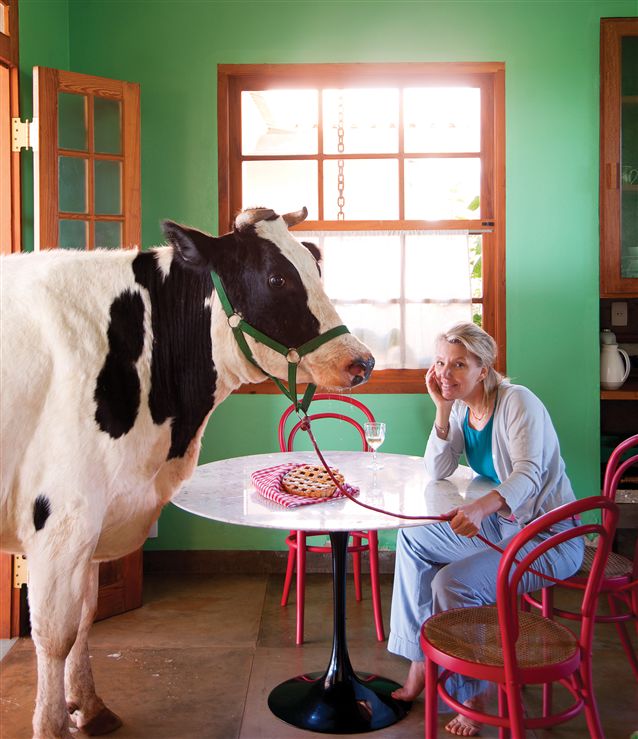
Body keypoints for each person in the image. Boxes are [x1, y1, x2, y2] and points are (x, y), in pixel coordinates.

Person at [388, 322, 584, 737]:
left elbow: (529, 476)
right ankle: (419, 661)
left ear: (484, 368)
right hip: (503, 526)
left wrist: (478, 509)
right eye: (441, 362)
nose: (445, 372)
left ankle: (473, 694)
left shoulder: (517, 402)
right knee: (411, 537)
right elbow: (438, 469)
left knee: (451, 584)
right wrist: (440, 410)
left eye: (459, 364)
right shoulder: (461, 407)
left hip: (549, 536)